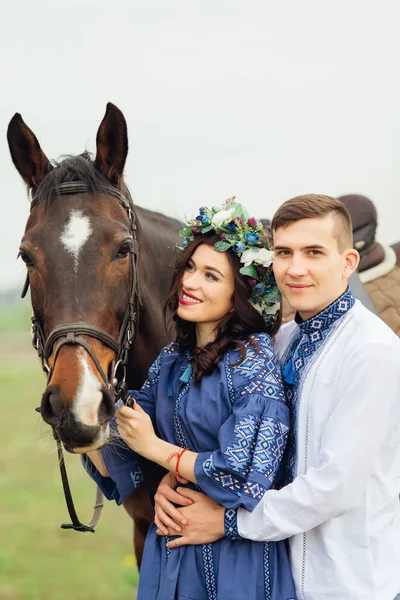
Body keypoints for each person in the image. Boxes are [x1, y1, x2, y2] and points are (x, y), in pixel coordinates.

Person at [154, 194, 400, 600]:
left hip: (349, 582)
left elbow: (335, 486)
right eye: (284, 252)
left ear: (348, 263)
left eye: (314, 252)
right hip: (278, 576)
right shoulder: (282, 341)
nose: (296, 268)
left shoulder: (371, 350)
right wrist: (176, 479)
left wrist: (230, 523)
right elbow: (251, 455)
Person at [82, 199, 297, 600]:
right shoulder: (171, 360)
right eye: (190, 268)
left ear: (240, 294)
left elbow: (244, 476)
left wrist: (157, 450)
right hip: (171, 555)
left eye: (211, 276)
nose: (190, 282)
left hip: (236, 561)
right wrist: (75, 404)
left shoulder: (255, 361)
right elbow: (118, 451)